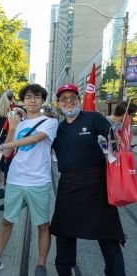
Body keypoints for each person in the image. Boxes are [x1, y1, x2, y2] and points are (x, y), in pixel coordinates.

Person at [0, 84, 58, 276]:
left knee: (42, 225)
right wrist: (13, 128)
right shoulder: (20, 124)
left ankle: (41, 265)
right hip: (15, 179)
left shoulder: (49, 122)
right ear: (23, 101)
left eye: (37, 97)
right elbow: (8, 152)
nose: (33, 100)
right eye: (29, 97)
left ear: (42, 101)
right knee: (7, 221)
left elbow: (33, 140)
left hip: (38, 181)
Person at [50, 84, 126, 276]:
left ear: (79, 100)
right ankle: (64, 272)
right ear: (58, 103)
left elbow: (115, 140)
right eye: (64, 99)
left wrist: (118, 139)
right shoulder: (57, 129)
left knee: (109, 236)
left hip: (97, 185)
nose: (69, 102)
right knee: (64, 233)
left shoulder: (94, 118)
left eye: (72, 98)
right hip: (68, 186)